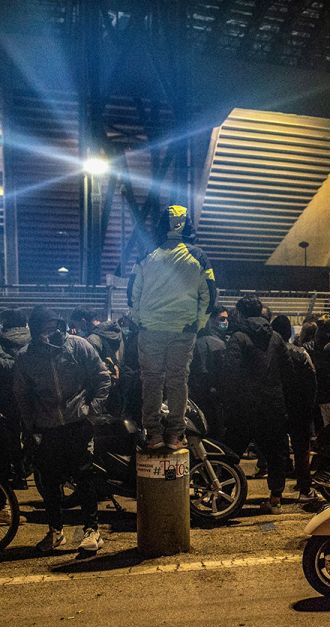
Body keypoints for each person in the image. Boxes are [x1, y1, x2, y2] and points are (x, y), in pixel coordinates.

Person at [13, 306, 110, 552]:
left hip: (77, 423)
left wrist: (91, 409)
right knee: (50, 482)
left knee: (84, 476)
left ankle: (92, 531)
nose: (49, 333)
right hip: (47, 428)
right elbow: (22, 395)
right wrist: (30, 425)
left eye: (52, 327)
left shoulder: (78, 346)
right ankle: (55, 531)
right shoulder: (26, 357)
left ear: (59, 325)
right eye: (42, 329)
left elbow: (102, 377)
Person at [128, 204, 216, 449]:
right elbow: (209, 295)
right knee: (178, 381)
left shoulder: (147, 254)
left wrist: (139, 319)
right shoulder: (198, 256)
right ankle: (176, 434)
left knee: (152, 381)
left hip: (150, 329)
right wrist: (197, 324)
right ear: (187, 225)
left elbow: (132, 292)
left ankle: (153, 434)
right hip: (182, 330)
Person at [223, 296, 291, 513]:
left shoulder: (238, 337)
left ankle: (224, 495)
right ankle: (276, 499)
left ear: (240, 313)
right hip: (273, 404)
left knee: (231, 452)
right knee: (275, 452)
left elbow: (230, 373)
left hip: (244, 407)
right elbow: (288, 371)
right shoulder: (277, 338)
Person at [270, 315, 319, 502]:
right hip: (300, 408)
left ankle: (276, 494)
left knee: (278, 451)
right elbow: (312, 383)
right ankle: (305, 489)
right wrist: (309, 407)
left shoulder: (270, 354)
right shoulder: (300, 353)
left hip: (278, 408)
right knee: (301, 451)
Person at [0, 309, 31, 489]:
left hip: (7, 396)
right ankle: (26, 470)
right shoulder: (35, 340)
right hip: (33, 396)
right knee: (31, 434)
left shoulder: (2, 342)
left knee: (10, 437)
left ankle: (17, 474)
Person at [189, 306, 229, 438]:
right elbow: (224, 374)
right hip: (214, 397)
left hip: (195, 396)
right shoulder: (219, 344)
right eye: (222, 319)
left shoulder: (190, 343)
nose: (225, 322)